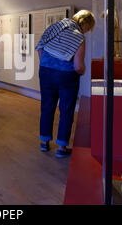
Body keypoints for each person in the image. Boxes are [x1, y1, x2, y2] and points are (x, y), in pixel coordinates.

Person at [35, 10, 95, 158]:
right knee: (66, 110)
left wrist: (48, 65)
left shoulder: (55, 26)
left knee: (47, 107)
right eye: (89, 28)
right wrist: (82, 71)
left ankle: (44, 142)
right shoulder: (79, 37)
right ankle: (61, 147)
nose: (87, 32)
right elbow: (78, 67)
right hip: (66, 77)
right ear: (86, 25)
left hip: (46, 73)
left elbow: (40, 47)